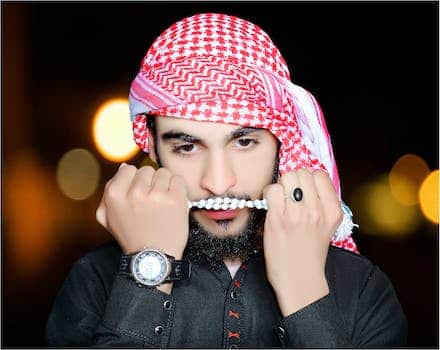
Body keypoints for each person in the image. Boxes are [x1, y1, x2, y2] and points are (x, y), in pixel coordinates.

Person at [46, 13, 407, 348]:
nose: (218, 183)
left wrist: (304, 291)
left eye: (245, 142)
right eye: (187, 147)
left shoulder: (361, 288)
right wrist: (147, 269)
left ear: (283, 145)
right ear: (154, 151)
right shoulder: (94, 281)